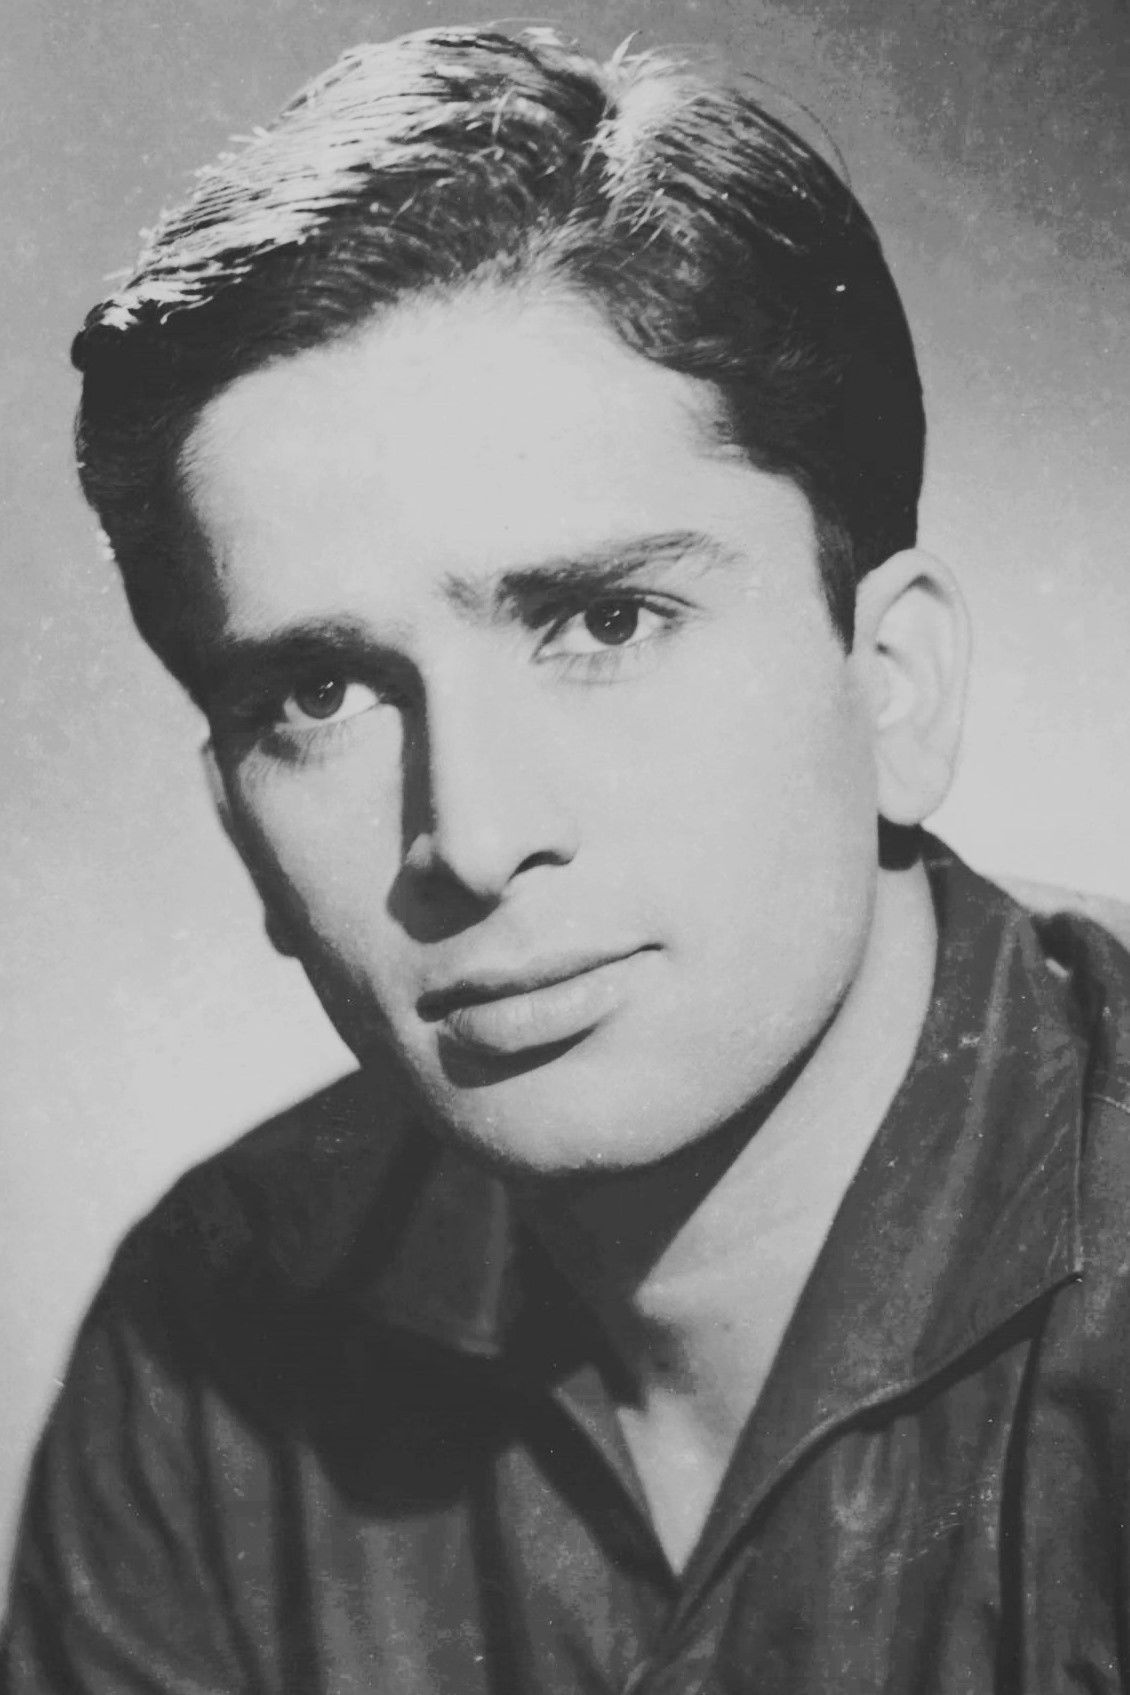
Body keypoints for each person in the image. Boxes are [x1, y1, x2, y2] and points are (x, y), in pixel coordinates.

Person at [4, 22, 1130, 1693]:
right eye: (319, 693)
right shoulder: (207, 1345)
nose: (470, 835)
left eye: (603, 621)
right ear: (239, 828)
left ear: (892, 683)